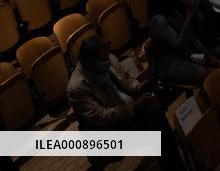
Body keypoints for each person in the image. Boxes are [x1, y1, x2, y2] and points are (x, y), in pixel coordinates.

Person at [68, 36, 180, 168]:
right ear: (90, 62)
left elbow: (126, 79)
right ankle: (173, 162)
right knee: (156, 120)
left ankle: (171, 161)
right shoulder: (76, 88)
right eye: (104, 59)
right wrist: (135, 106)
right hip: (111, 130)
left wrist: (139, 87)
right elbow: (101, 116)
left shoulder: (108, 59)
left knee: (155, 108)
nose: (108, 61)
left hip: (127, 110)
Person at [147, 0, 218, 85]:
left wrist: (206, 53)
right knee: (205, 75)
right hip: (169, 63)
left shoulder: (173, 12)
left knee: (219, 67)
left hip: (185, 54)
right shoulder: (158, 21)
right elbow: (178, 45)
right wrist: (188, 19)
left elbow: (191, 37)